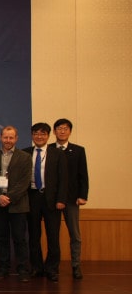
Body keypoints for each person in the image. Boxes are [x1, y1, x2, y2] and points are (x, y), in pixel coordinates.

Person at [0, 126, 32, 282]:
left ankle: (22, 269)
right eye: (5, 137)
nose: (8, 140)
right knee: (2, 238)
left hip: (18, 204)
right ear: (0, 137)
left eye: (11, 137)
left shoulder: (25, 157)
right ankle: (3, 269)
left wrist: (9, 197)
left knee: (20, 239)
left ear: (16, 139)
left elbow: (25, 182)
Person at [25, 122, 68, 282]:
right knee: (34, 235)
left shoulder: (57, 153)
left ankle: (51, 268)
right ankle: (36, 267)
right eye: (36, 133)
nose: (39, 136)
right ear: (32, 135)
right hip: (32, 197)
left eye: (43, 133)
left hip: (52, 199)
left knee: (53, 235)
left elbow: (64, 179)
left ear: (48, 136)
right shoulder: (25, 153)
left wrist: (61, 199)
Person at [52, 118, 89, 280]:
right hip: (53, 199)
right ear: (54, 131)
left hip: (72, 199)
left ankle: (76, 265)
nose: (62, 131)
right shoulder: (48, 149)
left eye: (65, 128)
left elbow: (83, 175)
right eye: (59, 128)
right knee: (53, 234)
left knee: (75, 234)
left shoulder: (79, 150)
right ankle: (53, 266)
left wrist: (83, 195)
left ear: (70, 131)